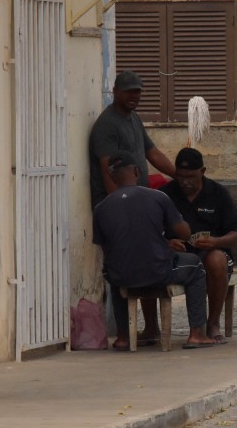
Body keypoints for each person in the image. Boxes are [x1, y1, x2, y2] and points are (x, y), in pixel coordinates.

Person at [92, 150, 216, 350]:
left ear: (112, 176)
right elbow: (184, 233)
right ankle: (197, 334)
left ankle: (123, 337)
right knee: (195, 265)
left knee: (113, 272)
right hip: (158, 271)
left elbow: (107, 250)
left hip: (121, 275)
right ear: (137, 171)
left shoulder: (101, 208)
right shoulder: (158, 197)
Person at [89, 70, 176, 347]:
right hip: (117, 205)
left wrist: (181, 174)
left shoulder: (134, 119)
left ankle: (151, 327)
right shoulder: (107, 125)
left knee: (148, 260)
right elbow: (108, 169)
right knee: (122, 264)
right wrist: (121, 207)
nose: (133, 97)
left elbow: (152, 153)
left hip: (140, 198)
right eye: (128, 92)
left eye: (137, 92)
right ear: (115, 91)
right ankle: (126, 334)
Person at [160, 148, 237, 344]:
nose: (185, 181)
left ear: (203, 171)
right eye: (180, 176)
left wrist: (216, 241)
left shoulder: (218, 193)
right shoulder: (165, 195)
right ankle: (152, 328)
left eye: (191, 177)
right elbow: (150, 233)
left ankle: (212, 323)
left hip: (211, 253)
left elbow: (236, 235)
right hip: (178, 258)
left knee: (216, 260)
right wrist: (167, 243)